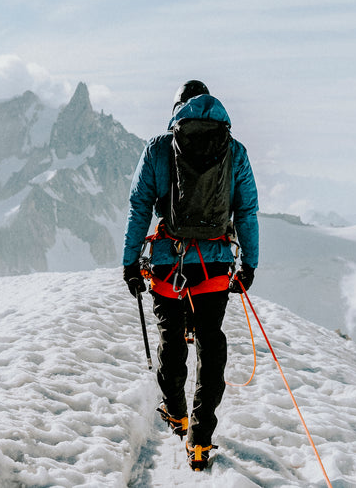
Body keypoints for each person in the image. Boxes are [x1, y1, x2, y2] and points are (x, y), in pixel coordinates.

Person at [122, 80, 259, 471]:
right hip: (214, 263)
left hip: (169, 261)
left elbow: (139, 207)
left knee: (171, 336)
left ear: (177, 110)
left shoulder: (159, 148)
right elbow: (246, 210)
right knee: (210, 341)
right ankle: (200, 439)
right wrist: (249, 264)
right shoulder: (234, 150)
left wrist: (130, 262)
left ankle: (176, 412)